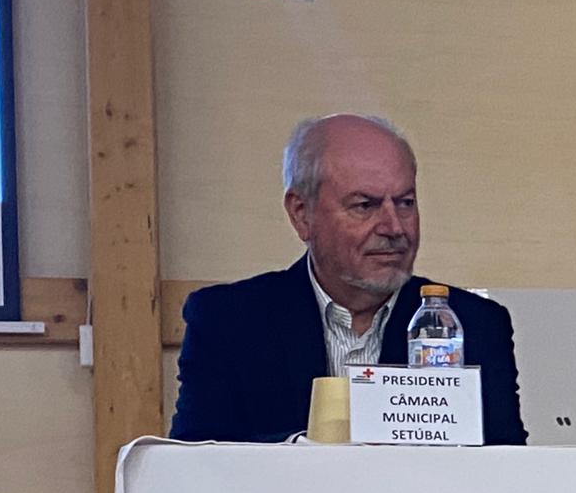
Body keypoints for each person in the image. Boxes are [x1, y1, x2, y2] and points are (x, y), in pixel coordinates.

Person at [170, 114, 526, 444]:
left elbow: (507, 469)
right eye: (365, 206)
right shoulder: (229, 321)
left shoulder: (474, 325)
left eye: (405, 203)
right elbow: (194, 460)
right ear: (302, 214)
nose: (394, 228)